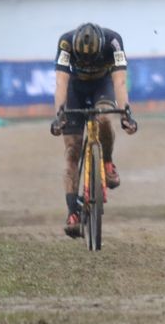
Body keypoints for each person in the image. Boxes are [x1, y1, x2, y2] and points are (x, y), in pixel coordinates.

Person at [49, 23, 137, 237]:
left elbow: (120, 80)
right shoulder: (65, 42)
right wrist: (59, 115)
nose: (87, 63)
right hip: (74, 89)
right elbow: (61, 82)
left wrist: (126, 113)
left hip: (102, 86)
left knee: (105, 119)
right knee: (72, 151)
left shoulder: (114, 41)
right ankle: (72, 213)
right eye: (83, 59)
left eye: (92, 59)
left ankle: (107, 162)